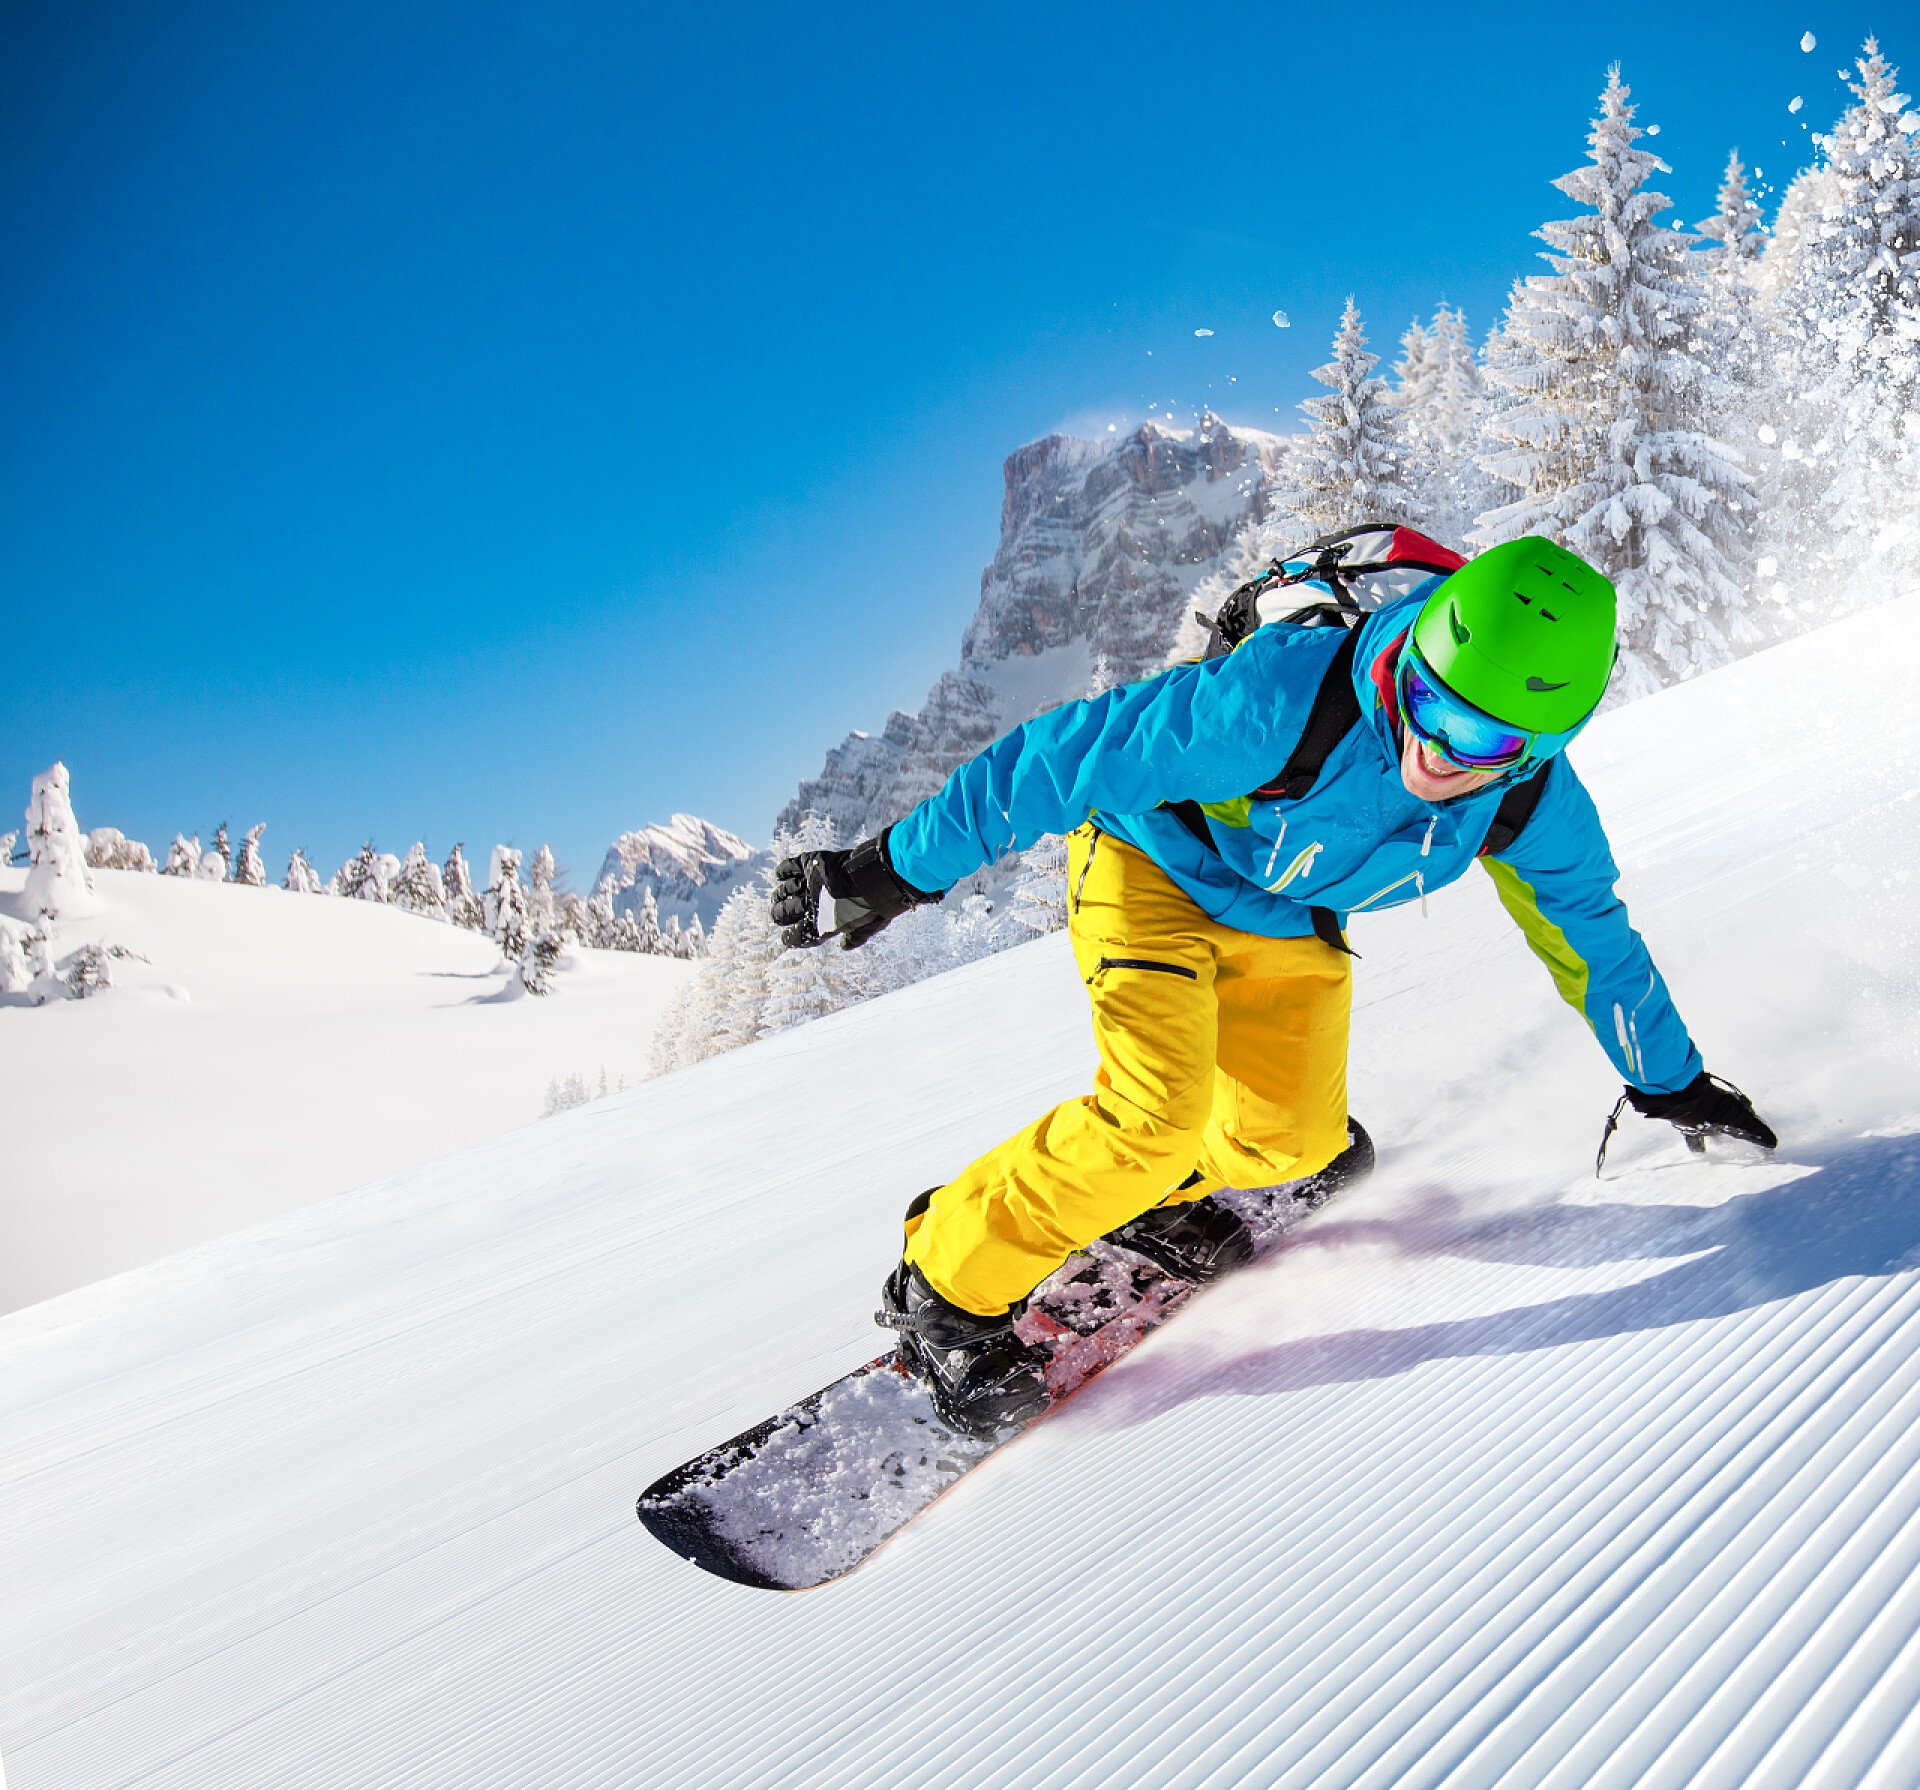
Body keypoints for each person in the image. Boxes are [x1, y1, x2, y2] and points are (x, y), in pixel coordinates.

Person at [770, 535, 1776, 1435]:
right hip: (1151, 867)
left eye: (1480, 743)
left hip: (1285, 912)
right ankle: (944, 1280)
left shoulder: (1531, 808)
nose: (1434, 748)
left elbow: (1593, 938)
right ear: (1418, 645)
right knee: (1154, 1113)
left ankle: (1155, 1199)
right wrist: (885, 871)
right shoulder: (1279, 703)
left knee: (1295, 1144)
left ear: (1540, 750)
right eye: (1426, 697)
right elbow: (1058, 756)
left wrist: (1668, 1078)